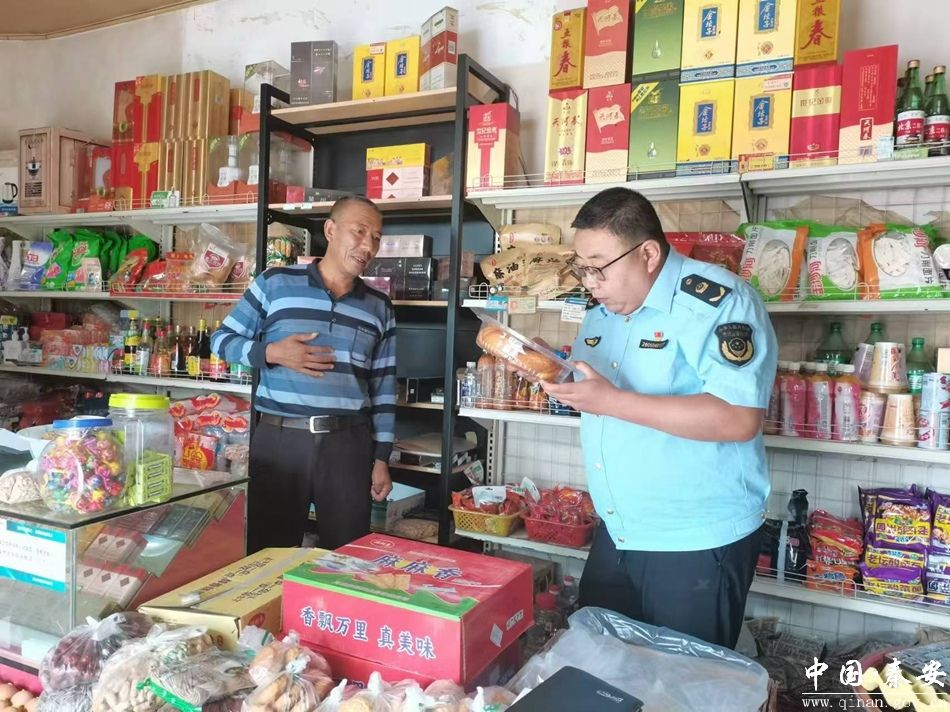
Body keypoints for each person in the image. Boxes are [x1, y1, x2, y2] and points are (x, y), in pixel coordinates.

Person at [541, 187, 777, 649]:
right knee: (604, 667)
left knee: (687, 679)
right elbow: (598, 391)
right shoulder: (602, 312)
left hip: (695, 540)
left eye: (599, 267)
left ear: (648, 254)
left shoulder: (720, 302)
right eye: (581, 268)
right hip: (619, 530)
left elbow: (738, 418)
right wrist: (554, 371)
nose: (590, 282)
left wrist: (609, 401)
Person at [211, 195, 395, 552]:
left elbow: (384, 387)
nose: (368, 245)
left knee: (348, 556)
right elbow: (221, 341)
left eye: (376, 237)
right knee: (269, 554)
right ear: (331, 230)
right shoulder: (275, 283)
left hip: (348, 445)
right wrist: (272, 352)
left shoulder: (379, 307)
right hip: (280, 440)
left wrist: (382, 458)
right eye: (359, 232)